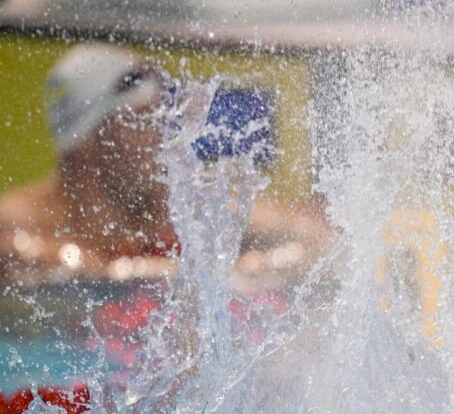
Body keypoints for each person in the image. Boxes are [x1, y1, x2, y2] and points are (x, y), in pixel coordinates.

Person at [0, 43, 330, 287]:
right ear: (85, 139)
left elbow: (321, 243)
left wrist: (255, 267)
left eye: (161, 118)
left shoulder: (176, 204)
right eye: (142, 120)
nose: (159, 135)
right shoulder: (17, 225)